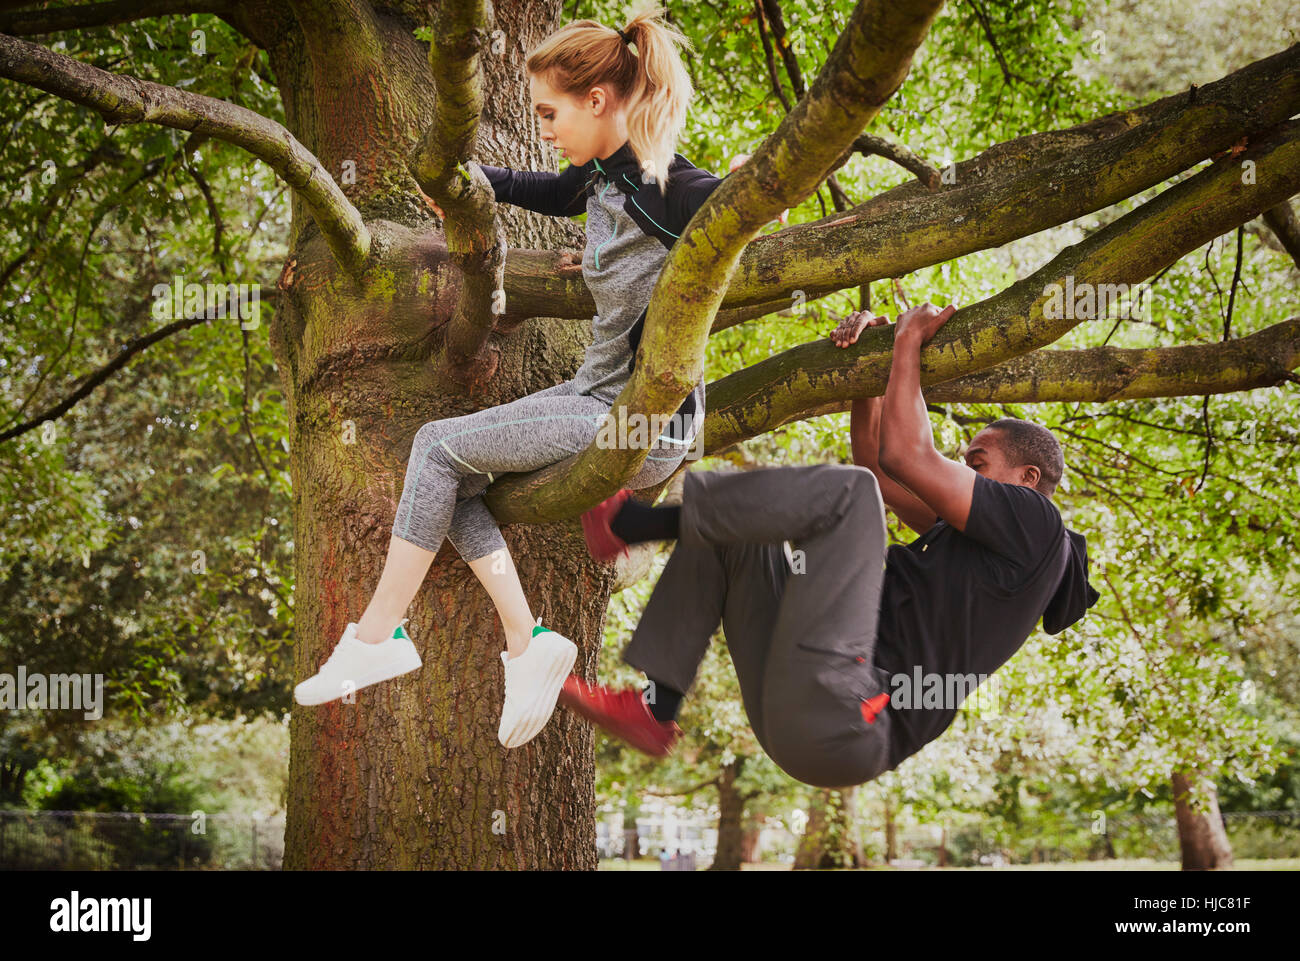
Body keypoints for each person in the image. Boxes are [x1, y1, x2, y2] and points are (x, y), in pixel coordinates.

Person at [294, 9, 729, 751]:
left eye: (551, 112)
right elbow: (556, 190)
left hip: (640, 418)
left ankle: (376, 636)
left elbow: (743, 222)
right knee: (451, 478)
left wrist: (758, 195)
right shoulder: (603, 175)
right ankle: (528, 644)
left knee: (434, 445)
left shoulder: (675, 189)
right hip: (593, 395)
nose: (546, 127)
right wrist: (474, 183)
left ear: (599, 100)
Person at [563, 302, 1101, 787]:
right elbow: (875, 457)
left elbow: (902, 459)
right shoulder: (970, 538)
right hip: (804, 719)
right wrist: (870, 366)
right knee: (739, 534)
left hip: (853, 715)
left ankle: (632, 525)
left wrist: (907, 340)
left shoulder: (1039, 526)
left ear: (1029, 479)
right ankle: (656, 709)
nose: (964, 472)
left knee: (853, 494)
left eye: (977, 463)